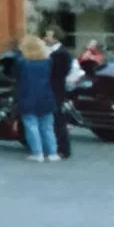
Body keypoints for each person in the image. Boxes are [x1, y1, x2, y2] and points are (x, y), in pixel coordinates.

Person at [15, 35, 61, 162]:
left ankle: (37, 153)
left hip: (27, 96)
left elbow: (16, 77)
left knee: (31, 126)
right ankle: (52, 153)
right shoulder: (48, 62)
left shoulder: (21, 62)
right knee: (47, 127)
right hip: (46, 96)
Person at [43, 27, 73, 160]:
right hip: (51, 88)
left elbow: (57, 72)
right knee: (53, 119)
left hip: (56, 89)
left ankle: (63, 149)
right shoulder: (53, 51)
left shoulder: (61, 53)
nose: (45, 38)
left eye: (48, 36)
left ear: (56, 38)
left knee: (58, 119)